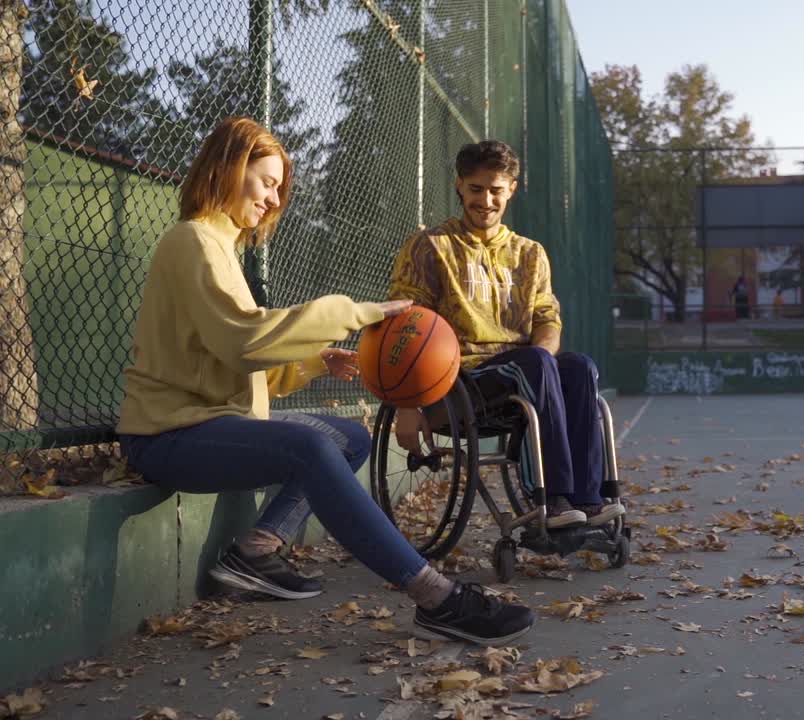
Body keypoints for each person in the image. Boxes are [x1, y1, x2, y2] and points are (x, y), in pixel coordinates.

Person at [116, 117, 533, 646]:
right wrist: (357, 313)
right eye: (267, 182)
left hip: (211, 423)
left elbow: (239, 363)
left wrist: (314, 362)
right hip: (167, 435)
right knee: (310, 447)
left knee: (349, 437)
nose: (274, 199)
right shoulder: (193, 241)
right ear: (228, 168)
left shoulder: (220, 247)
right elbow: (244, 341)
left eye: (279, 188)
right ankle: (436, 597)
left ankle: (256, 552)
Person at [388, 140, 625, 531]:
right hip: (459, 378)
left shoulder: (530, 253)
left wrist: (544, 357)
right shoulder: (430, 246)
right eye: (476, 189)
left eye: (496, 190)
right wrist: (407, 405)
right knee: (533, 364)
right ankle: (550, 498)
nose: (486, 200)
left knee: (579, 367)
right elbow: (406, 325)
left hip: (526, 369)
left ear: (511, 189)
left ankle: (589, 499)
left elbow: (547, 319)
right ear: (459, 186)